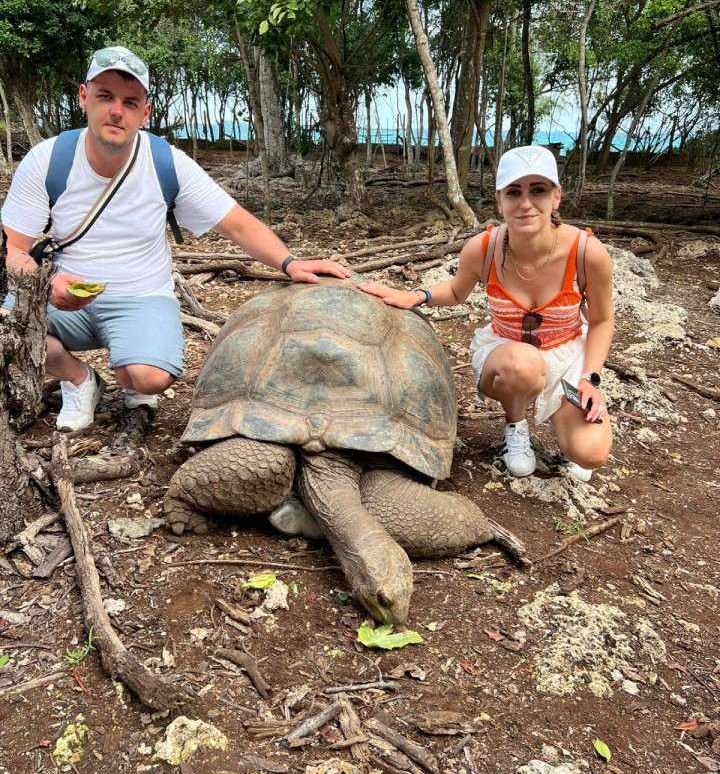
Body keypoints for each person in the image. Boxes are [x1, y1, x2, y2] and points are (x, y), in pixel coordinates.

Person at [1, 46, 350, 431]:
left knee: (148, 377)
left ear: (144, 113)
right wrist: (47, 283)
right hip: (67, 296)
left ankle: (134, 371)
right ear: (84, 97)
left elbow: (235, 224)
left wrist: (290, 262)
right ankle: (80, 380)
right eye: (105, 96)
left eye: (130, 102)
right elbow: (13, 249)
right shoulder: (48, 160)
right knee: (6, 328)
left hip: (141, 295)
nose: (117, 110)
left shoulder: (167, 163)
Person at [357, 145, 613, 482]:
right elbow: (456, 290)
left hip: (566, 355)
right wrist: (416, 295)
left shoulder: (586, 253)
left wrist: (589, 378)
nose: (525, 203)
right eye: (513, 192)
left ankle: (563, 422)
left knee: (591, 454)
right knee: (523, 364)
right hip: (507, 356)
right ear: (499, 200)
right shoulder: (484, 248)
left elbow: (601, 320)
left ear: (556, 197)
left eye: (538, 190)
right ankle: (516, 426)